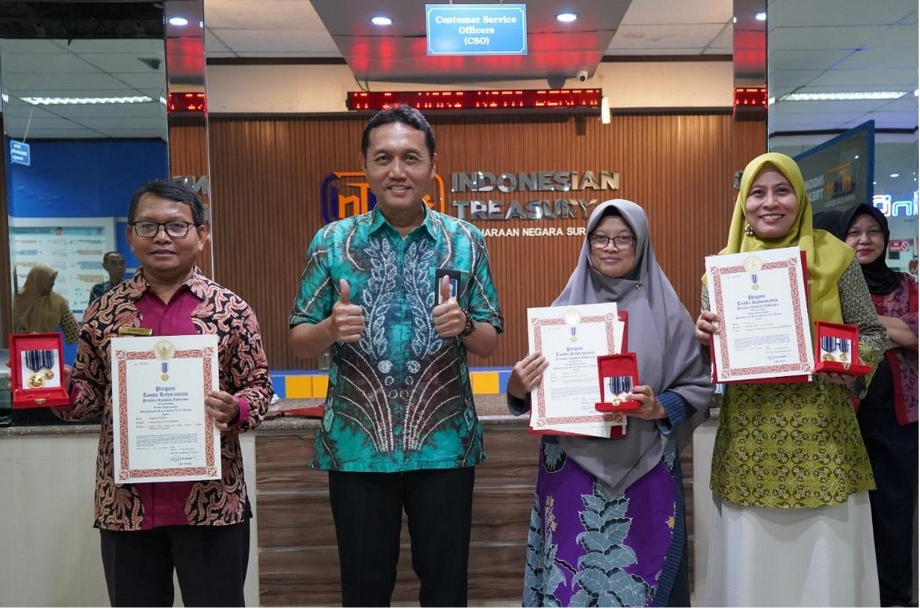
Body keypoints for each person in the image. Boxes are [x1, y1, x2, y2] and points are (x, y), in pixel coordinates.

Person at [289, 104, 504, 607]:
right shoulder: (332, 242)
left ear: (432, 165)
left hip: (444, 446)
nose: (397, 171)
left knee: (446, 590)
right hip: (358, 449)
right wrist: (330, 328)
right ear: (365, 166)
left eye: (411, 157)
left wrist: (463, 325)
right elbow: (299, 338)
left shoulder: (465, 241)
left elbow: (490, 338)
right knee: (364, 591)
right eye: (383, 158)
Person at [52, 180, 273, 607]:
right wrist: (60, 391)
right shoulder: (104, 311)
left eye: (176, 226)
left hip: (212, 502)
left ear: (201, 234)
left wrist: (238, 408)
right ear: (130, 235)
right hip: (126, 505)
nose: (162, 237)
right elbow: (90, 397)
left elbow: (260, 387)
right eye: (148, 226)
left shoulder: (231, 310)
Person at [695, 153, 887, 606]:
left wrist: (849, 366)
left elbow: (872, 333)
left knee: (823, 563)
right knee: (753, 565)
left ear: (800, 196)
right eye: (757, 193)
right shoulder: (722, 270)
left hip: (822, 438)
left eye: (782, 190)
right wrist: (704, 338)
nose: (770, 203)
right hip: (749, 443)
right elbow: (716, 358)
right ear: (743, 203)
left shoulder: (837, 258)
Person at [506, 199, 713, 607]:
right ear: (587, 244)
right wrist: (517, 387)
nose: (611, 247)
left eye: (623, 238)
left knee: (645, 575)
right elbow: (539, 393)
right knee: (573, 580)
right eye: (600, 238)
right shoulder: (561, 313)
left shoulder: (669, 313)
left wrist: (660, 407)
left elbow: (697, 382)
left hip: (646, 465)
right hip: (571, 469)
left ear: (641, 244)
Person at [816, 203, 918, 606]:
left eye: (873, 231)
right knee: (847, 512)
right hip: (845, 414)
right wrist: (896, 330)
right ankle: (852, 595)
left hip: (899, 417)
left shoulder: (906, 284)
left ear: (885, 237)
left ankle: (893, 597)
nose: (864, 240)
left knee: (894, 510)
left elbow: (915, 334)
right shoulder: (832, 284)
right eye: (854, 232)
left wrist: (864, 328)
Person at [14, 264, 80, 344]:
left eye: (53, 279)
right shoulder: (17, 299)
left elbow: (74, 331)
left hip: (48, 347)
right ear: (39, 279)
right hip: (21, 345)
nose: (53, 283)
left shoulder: (59, 302)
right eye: (50, 279)